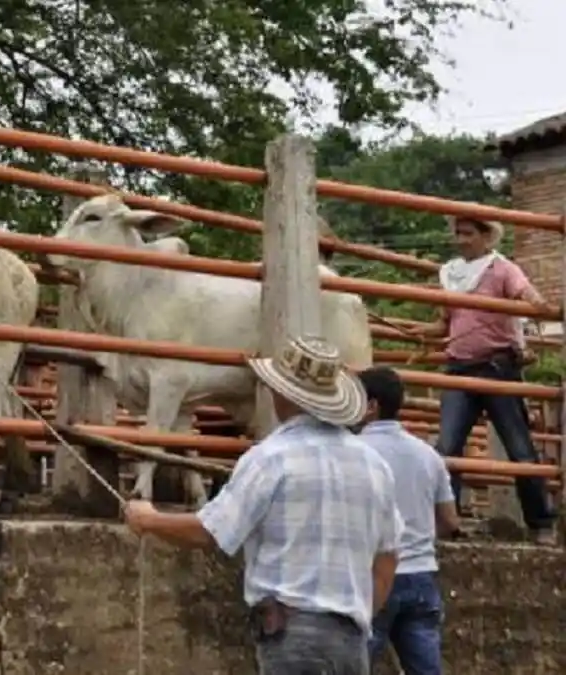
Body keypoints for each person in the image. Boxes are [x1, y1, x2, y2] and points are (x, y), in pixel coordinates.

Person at [123, 335, 402, 675]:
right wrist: (360, 614)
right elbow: (387, 558)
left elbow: (210, 531)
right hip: (350, 638)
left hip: (291, 633)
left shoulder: (271, 457)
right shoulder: (374, 466)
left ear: (281, 393)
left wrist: (150, 520)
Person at [421, 215, 556, 543]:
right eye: (458, 233)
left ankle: (541, 524)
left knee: (520, 448)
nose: (461, 240)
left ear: (486, 237)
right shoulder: (452, 274)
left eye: (468, 233)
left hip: (497, 367)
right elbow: (444, 324)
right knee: (447, 448)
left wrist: (544, 307)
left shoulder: (503, 269)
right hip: (459, 367)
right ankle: (447, 523)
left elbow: (528, 295)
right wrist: (419, 332)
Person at [357, 367, 459, 675]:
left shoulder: (354, 453)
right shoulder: (428, 455)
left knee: (355, 663)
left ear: (371, 406)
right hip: (421, 575)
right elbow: (450, 521)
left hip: (370, 575)